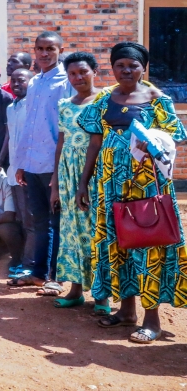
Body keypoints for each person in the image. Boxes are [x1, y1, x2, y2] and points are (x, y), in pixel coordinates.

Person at [77, 42, 185, 344]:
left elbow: (178, 135)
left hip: (146, 184)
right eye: (120, 65)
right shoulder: (103, 99)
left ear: (143, 68)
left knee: (147, 243)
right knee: (119, 242)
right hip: (110, 184)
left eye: (133, 65)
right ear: (112, 68)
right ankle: (126, 312)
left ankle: (153, 320)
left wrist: (151, 141)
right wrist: (83, 183)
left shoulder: (156, 98)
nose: (126, 70)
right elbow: (95, 143)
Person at [12, 31, 72, 292]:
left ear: (60, 50)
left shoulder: (66, 81)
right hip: (33, 163)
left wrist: (61, 168)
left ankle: (56, 277)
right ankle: (38, 273)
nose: (44, 53)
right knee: (39, 220)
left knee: (57, 221)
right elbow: (30, 127)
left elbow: (66, 127)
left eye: (51, 49)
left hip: (54, 164)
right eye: (40, 48)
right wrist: (22, 162)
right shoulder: (35, 82)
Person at [49, 52, 108, 312]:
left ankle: (102, 296)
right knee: (71, 231)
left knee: (97, 231)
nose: (78, 78)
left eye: (83, 72)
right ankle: (75, 290)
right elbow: (60, 143)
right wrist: (55, 182)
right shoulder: (64, 104)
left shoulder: (106, 100)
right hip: (67, 174)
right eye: (72, 73)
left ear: (95, 71)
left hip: (95, 173)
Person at [3, 68, 35, 279]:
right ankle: (24, 260)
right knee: (22, 219)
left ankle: (30, 264)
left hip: (31, 171)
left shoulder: (34, 107)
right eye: (13, 80)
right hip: (13, 171)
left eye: (21, 80)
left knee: (32, 220)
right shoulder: (11, 108)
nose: (16, 83)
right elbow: (10, 138)